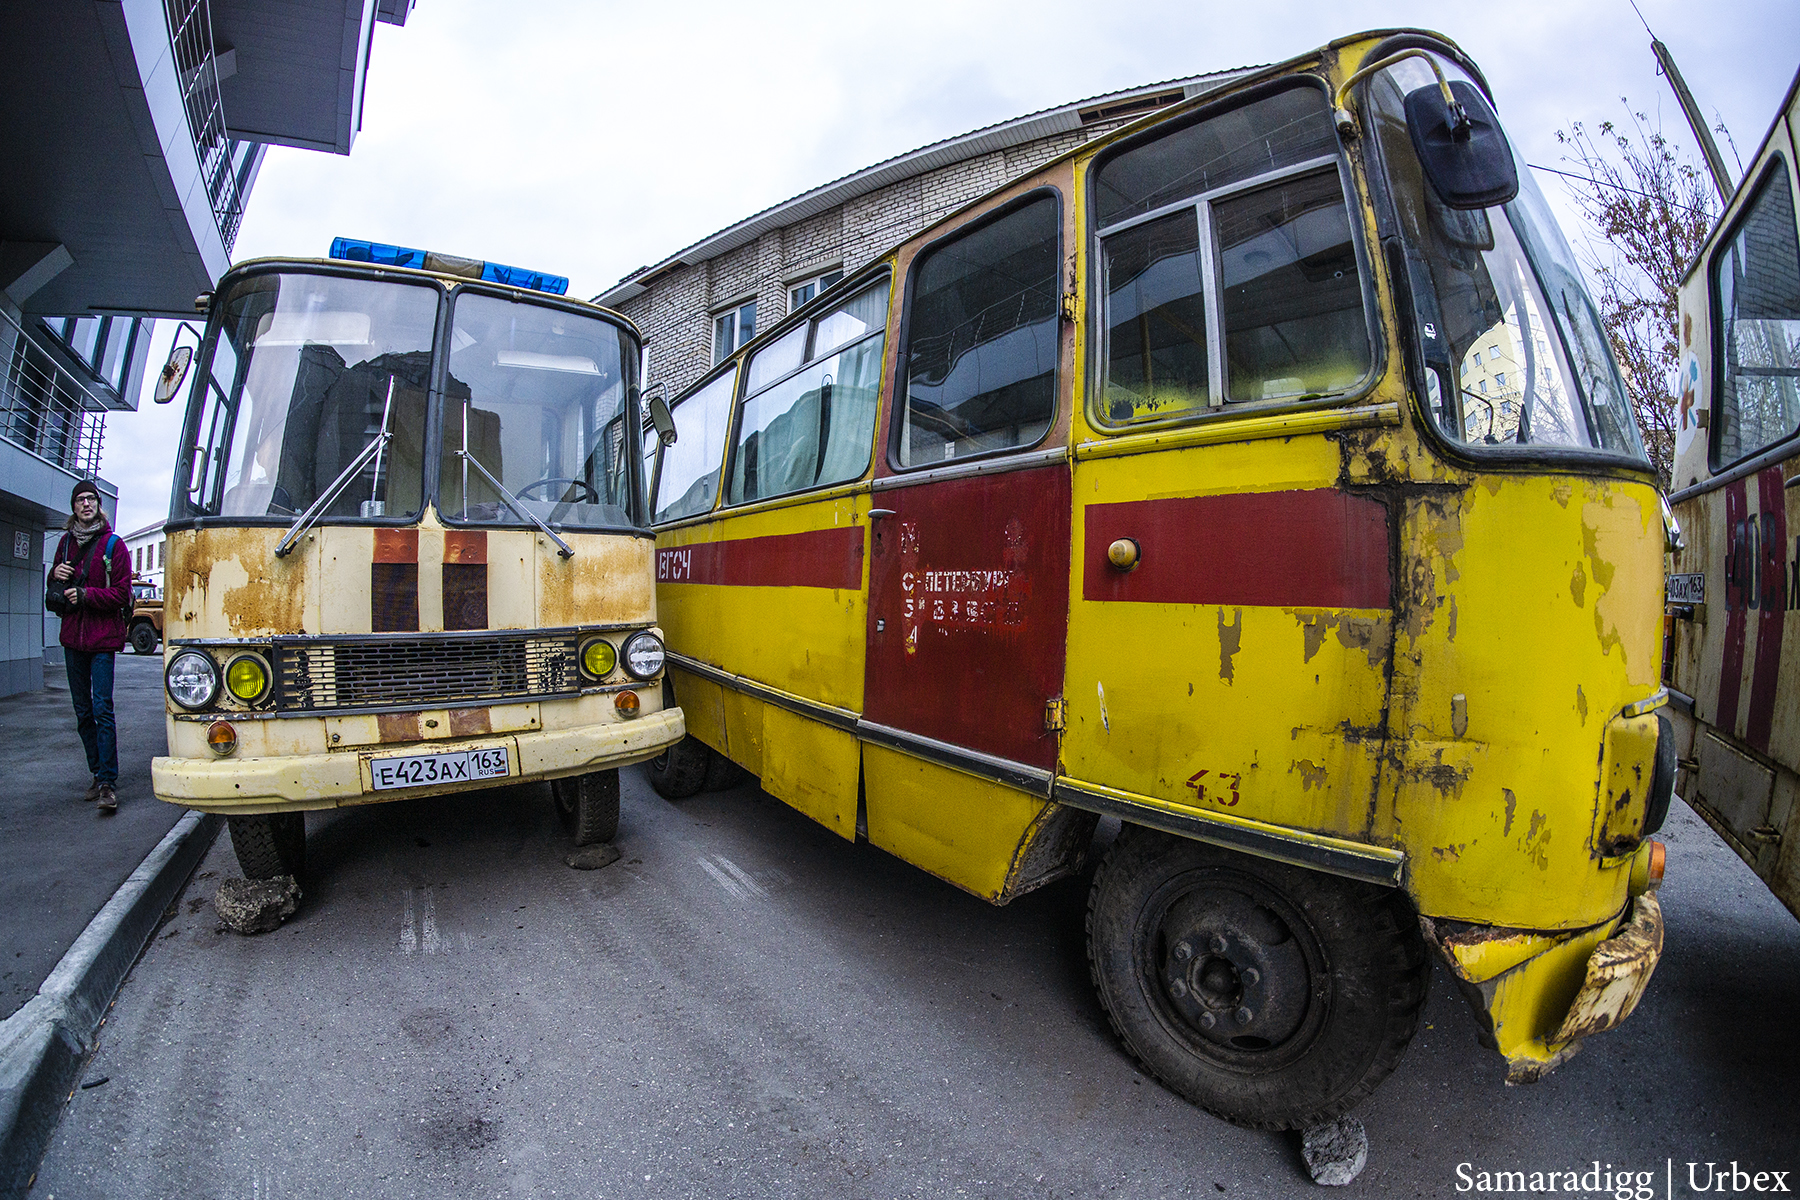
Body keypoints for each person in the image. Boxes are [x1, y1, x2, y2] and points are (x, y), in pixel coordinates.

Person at [49, 479, 132, 814]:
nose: (86, 504)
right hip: (73, 640)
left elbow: (122, 594)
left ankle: (109, 782)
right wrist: (56, 574)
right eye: (79, 500)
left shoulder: (114, 545)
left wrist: (86, 595)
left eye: (91, 499)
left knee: (102, 709)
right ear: (73, 508)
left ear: (99, 505)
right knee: (83, 712)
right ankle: (97, 774)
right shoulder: (65, 545)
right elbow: (53, 591)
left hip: (101, 641)